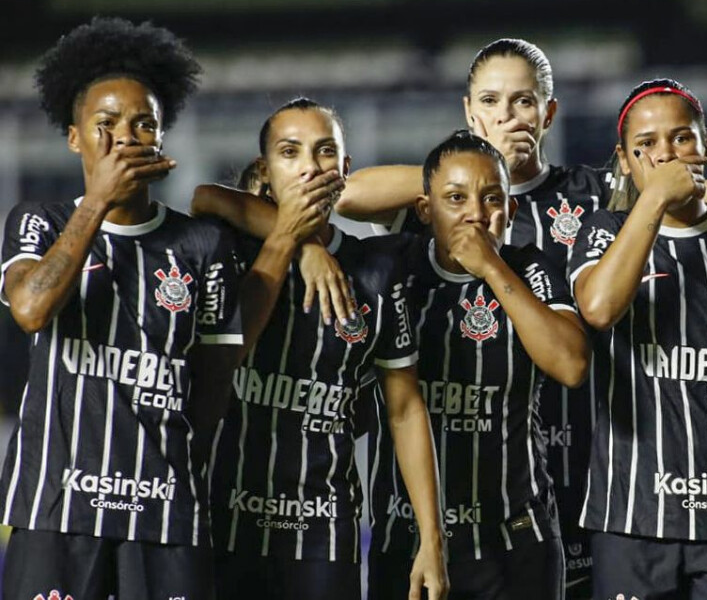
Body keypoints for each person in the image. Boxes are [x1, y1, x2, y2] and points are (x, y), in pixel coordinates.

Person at [335, 38, 707, 599]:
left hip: (581, 455)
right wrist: (479, 171)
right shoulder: (452, 204)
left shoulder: (595, 194)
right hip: (466, 455)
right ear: (470, 111)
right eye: (492, 101)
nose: (508, 115)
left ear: (548, 112)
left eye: (523, 101)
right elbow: (348, 195)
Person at [196, 130, 588, 599]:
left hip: (516, 539)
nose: (476, 214)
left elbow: (571, 365)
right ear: (424, 210)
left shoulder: (530, 268)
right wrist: (304, 245)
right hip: (406, 539)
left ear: (512, 209)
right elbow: (218, 199)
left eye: (492, 199)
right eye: (455, 198)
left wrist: (491, 267)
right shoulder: (394, 266)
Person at [0, 17, 241, 600]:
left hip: (163, 510)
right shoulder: (40, 222)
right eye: (105, 124)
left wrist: (175, 465)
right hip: (57, 503)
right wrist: (98, 202)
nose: (125, 137)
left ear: (161, 138)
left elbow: (214, 385)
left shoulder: (202, 245)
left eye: (143, 123)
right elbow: (30, 309)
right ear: (74, 137)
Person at [190, 99, 448, 599]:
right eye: (291, 152)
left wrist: (431, 540)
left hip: (325, 530)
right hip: (225, 520)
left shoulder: (375, 271)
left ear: (345, 170)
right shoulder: (229, 251)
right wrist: (304, 245)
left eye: (325, 151)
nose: (310, 166)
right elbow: (206, 197)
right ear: (265, 171)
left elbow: (404, 409)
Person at [569, 78, 707, 598]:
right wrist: (656, 199)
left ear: (706, 144)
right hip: (633, 514)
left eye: (681, 138)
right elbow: (599, 308)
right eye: (645, 145)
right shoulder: (603, 231)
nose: (665, 153)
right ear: (624, 162)